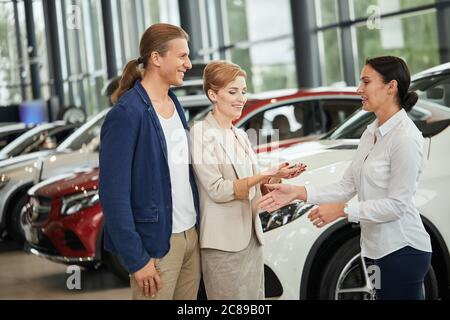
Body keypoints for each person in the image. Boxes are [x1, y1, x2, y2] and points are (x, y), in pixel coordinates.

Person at [257, 56, 432, 300]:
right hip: (373, 250)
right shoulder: (371, 133)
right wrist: (298, 192)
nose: (359, 89)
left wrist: (342, 210)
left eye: (366, 82)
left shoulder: (405, 138)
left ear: (391, 87)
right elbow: (347, 185)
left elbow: (397, 206)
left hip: (402, 252)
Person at [99, 23, 201, 300]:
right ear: (156, 58)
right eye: (182, 56)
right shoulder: (126, 114)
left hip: (190, 236)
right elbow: (113, 194)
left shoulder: (173, 103)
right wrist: (136, 259)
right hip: (157, 246)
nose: (188, 64)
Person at [190, 60, 306, 299]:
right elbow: (217, 190)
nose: (240, 98)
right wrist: (264, 174)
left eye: (243, 91)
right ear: (213, 94)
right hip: (223, 243)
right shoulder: (200, 133)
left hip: (251, 236)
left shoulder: (240, 135)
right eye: (232, 92)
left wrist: (276, 176)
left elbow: (253, 185)